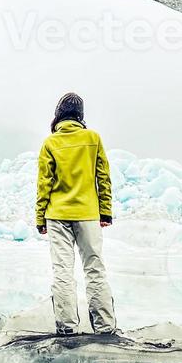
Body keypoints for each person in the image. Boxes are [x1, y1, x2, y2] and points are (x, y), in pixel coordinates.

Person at [35, 92, 117, 334]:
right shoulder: (93, 138)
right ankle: (105, 327)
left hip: (57, 215)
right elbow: (103, 177)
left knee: (62, 270)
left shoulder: (51, 143)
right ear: (80, 115)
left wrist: (41, 218)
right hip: (88, 214)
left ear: (58, 115)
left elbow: (44, 184)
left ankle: (67, 327)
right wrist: (105, 212)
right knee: (94, 268)